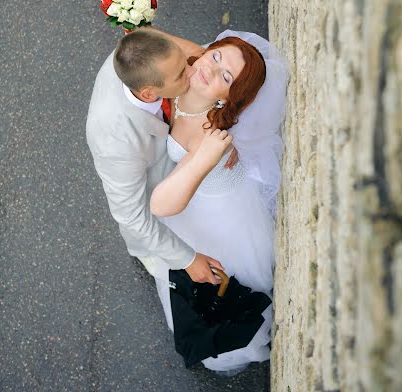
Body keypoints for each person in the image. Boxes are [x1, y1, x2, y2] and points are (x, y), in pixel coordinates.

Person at [150, 30, 288, 374]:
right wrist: (135, 21)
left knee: (209, 288)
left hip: (217, 212)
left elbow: (163, 205)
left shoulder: (209, 137)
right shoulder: (196, 68)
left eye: (225, 77)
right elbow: (189, 50)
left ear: (227, 98)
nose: (211, 70)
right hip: (194, 195)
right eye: (216, 57)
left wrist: (206, 156)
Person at [86, 28, 234, 285]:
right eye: (181, 74)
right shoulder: (115, 142)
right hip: (141, 165)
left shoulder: (136, 53)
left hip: (162, 141)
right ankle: (143, 253)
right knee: (141, 215)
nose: (192, 71)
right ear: (149, 94)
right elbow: (131, 215)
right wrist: (187, 259)